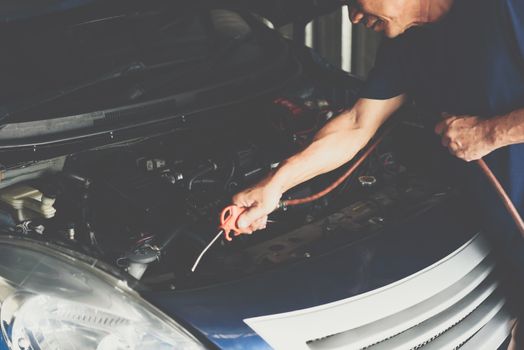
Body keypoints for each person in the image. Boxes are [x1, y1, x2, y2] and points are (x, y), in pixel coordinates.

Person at [233, 0, 524, 347]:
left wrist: (491, 133)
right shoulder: (408, 45)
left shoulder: (505, 9)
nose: (353, 16)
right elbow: (357, 124)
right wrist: (274, 186)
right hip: (502, 237)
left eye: (356, 2)